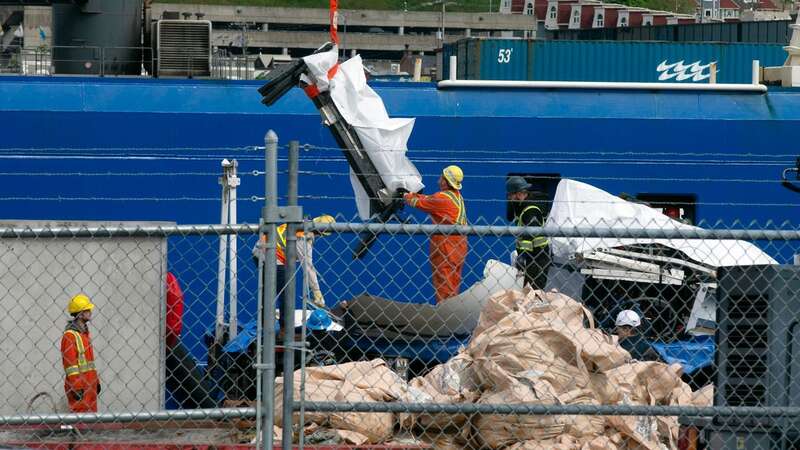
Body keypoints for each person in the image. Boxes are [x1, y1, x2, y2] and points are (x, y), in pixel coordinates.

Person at [403, 165, 468, 303]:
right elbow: (430, 199)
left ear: (445, 181)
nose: (438, 181)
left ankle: (446, 315)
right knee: (453, 283)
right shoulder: (456, 197)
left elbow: (420, 202)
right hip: (459, 246)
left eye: (441, 178)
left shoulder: (442, 198)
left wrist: (405, 195)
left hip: (446, 247)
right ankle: (452, 312)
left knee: (444, 285)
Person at [254, 215, 336, 321]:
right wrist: (316, 291)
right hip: (271, 256)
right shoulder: (304, 237)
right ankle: (282, 328)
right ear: (321, 233)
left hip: (260, 249)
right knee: (287, 294)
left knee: (271, 291)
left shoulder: (301, 223)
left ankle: (267, 320)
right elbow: (308, 267)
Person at [506, 176, 550, 290]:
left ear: (519, 194)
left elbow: (529, 235)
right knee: (527, 291)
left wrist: (522, 256)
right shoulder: (522, 207)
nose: (509, 198)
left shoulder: (531, 210)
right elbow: (510, 217)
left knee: (533, 291)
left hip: (538, 257)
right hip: (531, 257)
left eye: (511, 195)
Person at [61, 294, 100, 413]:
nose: (90, 312)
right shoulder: (70, 336)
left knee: (91, 421)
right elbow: (70, 366)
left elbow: (90, 363)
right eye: (87, 310)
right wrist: (76, 387)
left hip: (90, 385)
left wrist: (96, 381)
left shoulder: (84, 334)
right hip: (80, 387)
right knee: (80, 420)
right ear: (80, 313)